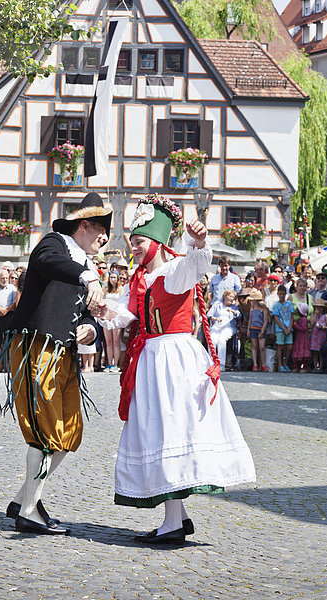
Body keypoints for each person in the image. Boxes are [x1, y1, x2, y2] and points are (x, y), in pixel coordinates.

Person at [92, 194, 255, 545]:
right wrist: (101, 310)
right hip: (150, 361)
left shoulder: (174, 271)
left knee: (170, 432)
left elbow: (197, 264)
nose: (133, 249)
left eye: (138, 242)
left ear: (157, 242)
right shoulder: (139, 279)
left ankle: (172, 523)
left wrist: (198, 241)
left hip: (174, 360)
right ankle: (177, 519)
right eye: (132, 242)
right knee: (160, 432)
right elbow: (125, 316)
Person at [0, 192, 112, 536]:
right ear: (85, 225)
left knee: (68, 432)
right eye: (101, 231)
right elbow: (49, 263)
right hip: (37, 346)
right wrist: (87, 276)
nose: (105, 239)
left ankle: (24, 500)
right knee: (44, 429)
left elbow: (88, 317)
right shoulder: (54, 244)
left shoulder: (87, 266)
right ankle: (29, 513)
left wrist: (90, 329)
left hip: (66, 353)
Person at [207, 289, 240, 371]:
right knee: (212, 340)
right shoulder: (217, 304)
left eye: (233, 297)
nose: (232, 299)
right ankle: (211, 363)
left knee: (221, 340)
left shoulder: (233, 307)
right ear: (225, 296)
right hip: (217, 325)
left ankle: (221, 364)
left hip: (228, 327)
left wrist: (233, 311)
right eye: (230, 296)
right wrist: (215, 318)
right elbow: (209, 315)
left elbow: (239, 315)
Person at [102, 270, 124, 373]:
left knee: (116, 341)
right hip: (106, 317)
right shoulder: (106, 290)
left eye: (115, 277)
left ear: (118, 279)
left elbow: (122, 304)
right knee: (108, 342)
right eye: (111, 277)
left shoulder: (120, 290)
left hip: (116, 317)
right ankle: (109, 363)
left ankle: (115, 364)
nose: (113, 279)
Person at [272, 285, 294, 372]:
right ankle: (280, 364)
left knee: (289, 346)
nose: (281, 296)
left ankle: (285, 363)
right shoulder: (276, 305)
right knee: (280, 346)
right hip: (280, 328)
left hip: (289, 327)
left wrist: (289, 328)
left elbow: (292, 317)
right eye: (280, 294)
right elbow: (276, 318)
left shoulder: (289, 304)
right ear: (277, 294)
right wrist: (283, 328)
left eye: (283, 294)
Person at [247, 288, 268, 372]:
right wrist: (248, 329)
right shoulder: (252, 308)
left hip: (260, 329)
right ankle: (255, 364)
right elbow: (250, 319)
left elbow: (265, 321)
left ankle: (263, 364)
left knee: (262, 347)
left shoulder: (263, 309)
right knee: (254, 346)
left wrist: (262, 331)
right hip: (253, 328)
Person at [310, 299, 327, 372]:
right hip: (315, 334)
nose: (318, 309)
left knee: (320, 352)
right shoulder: (313, 314)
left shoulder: (325, 316)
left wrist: (323, 327)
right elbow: (312, 323)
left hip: (322, 335)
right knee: (314, 351)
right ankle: (315, 366)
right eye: (317, 307)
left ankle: (321, 367)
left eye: (320, 307)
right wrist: (315, 314)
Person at [292, 303, 311, 372]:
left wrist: (295, 325)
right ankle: (297, 366)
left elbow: (304, 328)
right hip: (299, 338)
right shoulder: (301, 319)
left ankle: (304, 367)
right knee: (298, 352)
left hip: (303, 339)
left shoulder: (303, 319)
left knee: (303, 353)